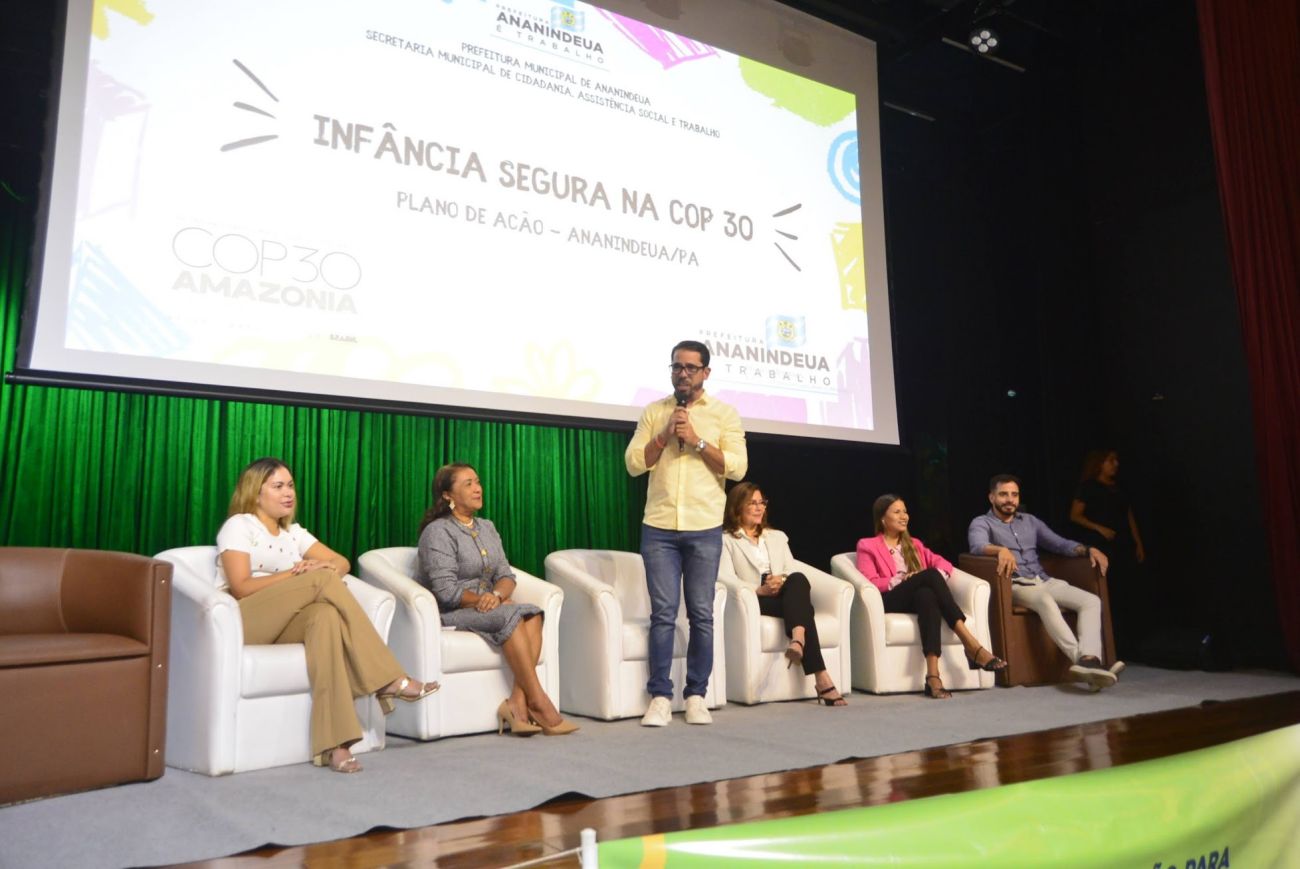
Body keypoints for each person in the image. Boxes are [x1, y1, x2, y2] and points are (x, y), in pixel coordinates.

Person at [217, 457, 438, 774]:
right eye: (278, 486)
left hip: (284, 623)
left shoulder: (293, 533)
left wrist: (320, 566)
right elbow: (240, 586)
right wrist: (299, 574)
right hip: (243, 621)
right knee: (321, 579)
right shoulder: (240, 526)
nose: (288, 493)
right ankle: (389, 678)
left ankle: (336, 745)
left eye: (290, 485)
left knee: (325, 618)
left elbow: (341, 562)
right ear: (255, 493)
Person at [625, 339, 748, 726]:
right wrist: (663, 436)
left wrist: (697, 440)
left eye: (690, 368)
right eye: (677, 366)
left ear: (705, 373)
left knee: (701, 615)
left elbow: (738, 468)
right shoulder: (655, 411)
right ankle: (660, 697)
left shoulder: (724, 414)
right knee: (662, 615)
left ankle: (696, 695)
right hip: (659, 527)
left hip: (704, 527)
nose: (682, 373)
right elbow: (633, 464)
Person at [417, 463, 577, 736]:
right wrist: (482, 600)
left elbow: (505, 575)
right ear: (447, 495)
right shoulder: (438, 531)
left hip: (490, 605)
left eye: (478, 482)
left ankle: (516, 702)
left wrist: (497, 596)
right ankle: (538, 701)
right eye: (468, 484)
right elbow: (445, 591)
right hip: (453, 611)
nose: (477, 488)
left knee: (533, 613)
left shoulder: (487, 527)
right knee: (512, 613)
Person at [968, 474, 1124, 690]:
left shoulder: (1030, 521)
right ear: (991, 497)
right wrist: (999, 550)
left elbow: (1059, 544)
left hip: (1043, 580)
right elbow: (977, 546)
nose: (1010, 499)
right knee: (1044, 599)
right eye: (1003, 494)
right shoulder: (981, 522)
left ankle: (1089, 659)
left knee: (1091, 601)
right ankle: (1084, 661)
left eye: (1014, 495)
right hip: (1016, 585)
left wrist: (1089, 549)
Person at [857, 494, 1008, 699]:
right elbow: (870, 581)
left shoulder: (914, 544)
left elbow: (943, 564)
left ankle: (933, 676)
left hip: (916, 598)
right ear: (883, 519)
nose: (904, 516)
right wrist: (901, 579)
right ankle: (971, 644)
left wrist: (928, 579)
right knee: (928, 576)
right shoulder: (867, 545)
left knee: (926, 595)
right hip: (889, 599)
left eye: (905, 511)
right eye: (897, 512)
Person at [720, 482, 847, 706]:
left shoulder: (777, 537)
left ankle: (799, 641)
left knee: (798, 579)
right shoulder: (726, 540)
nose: (759, 508)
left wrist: (781, 581)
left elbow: (789, 568)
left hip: (782, 592)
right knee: (805, 610)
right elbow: (726, 576)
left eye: (762, 502)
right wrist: (758, 589)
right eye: (752, 503)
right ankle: (819, 673)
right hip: (754, 599)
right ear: (737, 507)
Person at [1070, 450, 1147, 659]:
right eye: (1110, 460)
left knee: (1127, 593)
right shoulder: (1089, 487)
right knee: (1109, 593)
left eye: (1116, 460)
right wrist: (1099, 528)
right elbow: (1075, 515)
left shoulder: (1119, 489)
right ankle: (1111, 646)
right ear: (1099, 463)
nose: (1115, 464)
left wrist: (1138, 543)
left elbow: (1128, 515)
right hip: (1102, 545)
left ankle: (1131, 645)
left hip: (1123, 544)